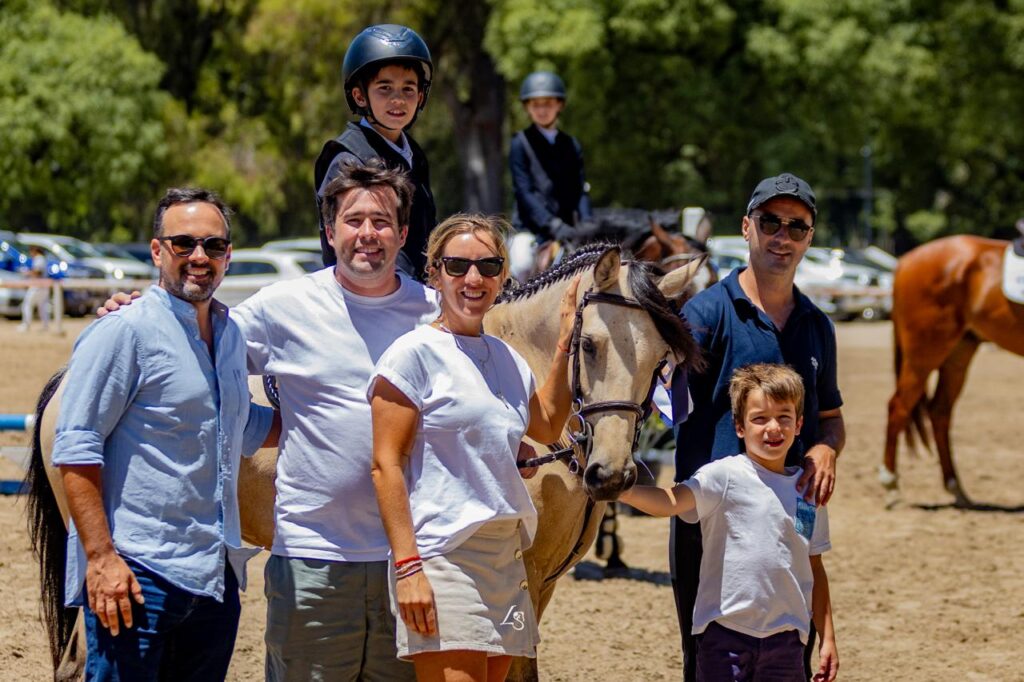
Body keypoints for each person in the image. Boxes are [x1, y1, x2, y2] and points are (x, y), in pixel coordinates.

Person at [53, 188, 278, 680]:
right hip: (138, 575)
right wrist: (101, 558)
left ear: (228, 256)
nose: (200, 257)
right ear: (158, 251)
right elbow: (75, 445)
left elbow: (244, 425)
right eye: (183, 244)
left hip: (214, 575)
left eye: (213, 246)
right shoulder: (124, 331)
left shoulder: (230, 336)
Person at [368, 214, 578, 681]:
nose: (473, 278)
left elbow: (545, 425)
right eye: (458, 266)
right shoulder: (412, 354)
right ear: (435, 274)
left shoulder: (506, 358)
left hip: (506, 559)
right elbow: (386, 466)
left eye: (487, 265)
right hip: (445, 557)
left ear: (503, 275)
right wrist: (408, 569)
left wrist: (564, 347)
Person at [670, 172, 846, 680]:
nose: (782, 236)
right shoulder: (704, 315)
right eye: (770, 222)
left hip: (791, 524)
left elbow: (831, 422)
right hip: (712, 523)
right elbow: (654, 400)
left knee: (789, 662)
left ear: (809, 239)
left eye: (797, 226)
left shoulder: (818, 325)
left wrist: (826, 450)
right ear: (747, 227)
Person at [623, 363, 838, 682]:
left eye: (784, 417)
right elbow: (670, 501)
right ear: (740, 427)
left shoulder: (807, 492)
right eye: (759, 418)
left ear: (799, 423)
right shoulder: (723, 476)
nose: (773, 428)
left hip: (788, 642)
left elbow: (814, 568)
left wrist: (828, 638)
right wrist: (622, 490)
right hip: (724, 639)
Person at [314, 23, 437, 280]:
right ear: (360, 96)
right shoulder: (349, 160)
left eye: (408, 89)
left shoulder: (414, 154)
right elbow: (360, 246)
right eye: (385, 88)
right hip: (371, 294)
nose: (398, 100)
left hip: (415, 291)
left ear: (421, 96)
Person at [508, 70, 592, 281]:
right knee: (522, 264)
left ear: (559, 105)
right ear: (527, 107)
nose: (542, 110)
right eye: (536, 105)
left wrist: (587, 223)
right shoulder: (520, 143)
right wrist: (552, 224)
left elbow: (579, 188)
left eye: (548, 103)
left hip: (568, 229)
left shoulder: (571, 145)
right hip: (531, 229)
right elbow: (524, 192)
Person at [18, 244, 51, 332]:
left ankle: (26, 325)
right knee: (42, 307)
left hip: (37, 286)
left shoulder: (39, 258)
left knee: (27, 304)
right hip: (43, 286)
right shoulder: (42, 258)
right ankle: (45, 326)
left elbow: (38, 272)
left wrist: (27, 273)